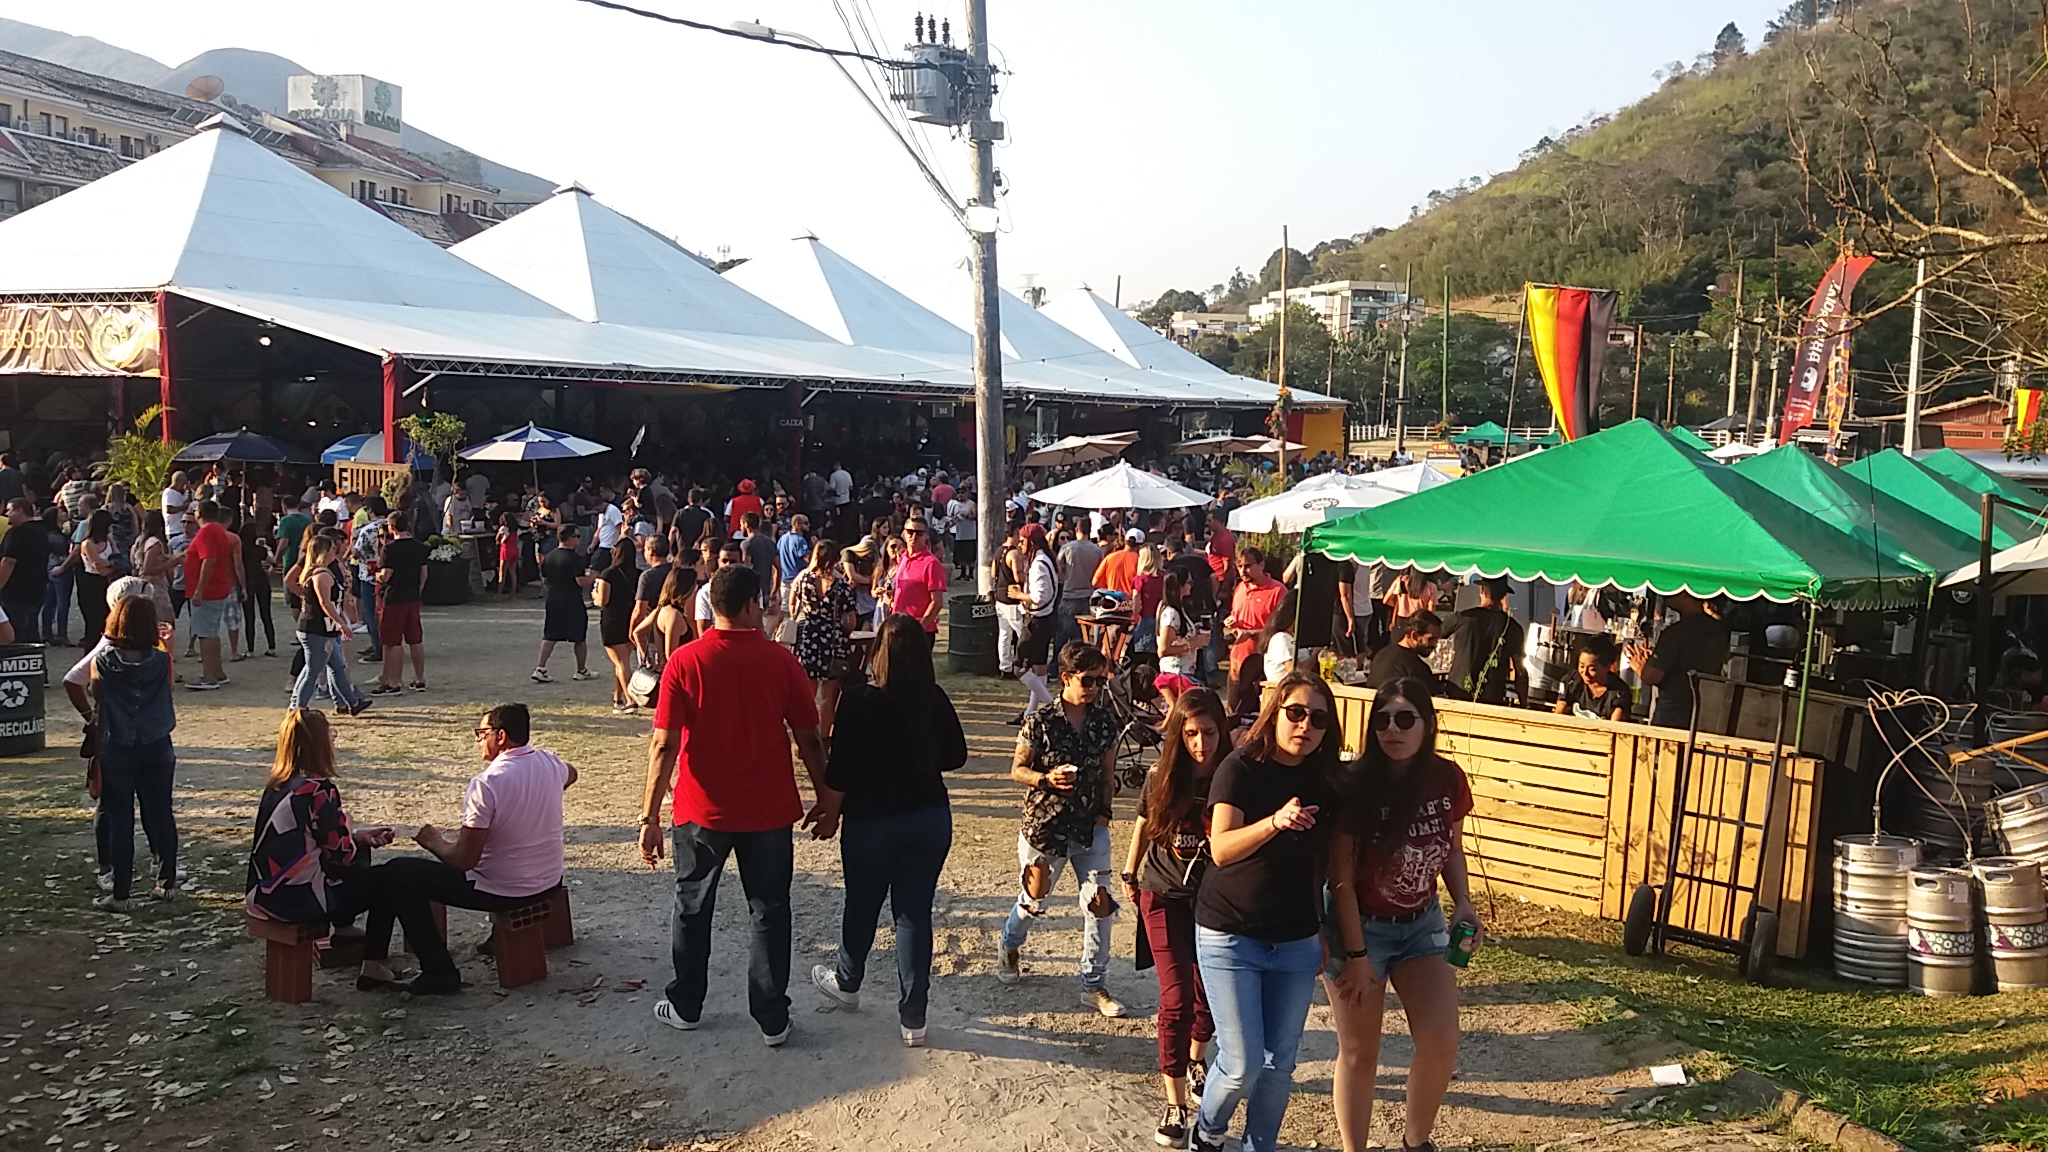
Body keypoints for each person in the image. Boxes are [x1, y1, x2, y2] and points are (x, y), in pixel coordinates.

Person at [638, 565, 840, 1045]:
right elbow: (809, 739)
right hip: (767, 807)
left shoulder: (685, 661)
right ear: (752, 604)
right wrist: (827, 797)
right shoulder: (780, 661)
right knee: (769, 910)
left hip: (701, 807)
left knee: (692, 906)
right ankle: (771, 1016)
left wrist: (649, 815)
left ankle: (686, 1003)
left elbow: (664, 744)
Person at [1325, 680, 1481, 1152]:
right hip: (1360, 926)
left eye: (1405, 719)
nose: (1392, 730)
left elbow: (1451, 849)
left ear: (1427, 724)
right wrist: (1356, 956)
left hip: (1421, 922)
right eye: (1383, 720)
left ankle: (1416, 1142)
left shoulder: (1447, 778)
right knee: (1360, 1052)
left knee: (1441, 1039)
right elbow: (1340, 879)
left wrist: (1464, 902)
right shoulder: (1355, 785)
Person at [1189, 670, 1337, 1152]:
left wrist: (1321, 927)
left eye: (1318, 719)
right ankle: (1208, 1132)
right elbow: (1221, 848)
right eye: (1296, 713)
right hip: (1231, 932)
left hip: (1295, 938)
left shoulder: (1325, 779)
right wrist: (1274, 822)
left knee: (1280, 1064)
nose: (1306, 726)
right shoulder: (1241, 767)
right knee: (1242, 1063)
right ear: (1275, 714)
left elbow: (1322, 866)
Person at [810, 613, 966, 1047]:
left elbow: (839, 771)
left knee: (862, 903)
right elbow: (956, 756)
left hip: (871, 820)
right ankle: (914, 1018)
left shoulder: (858, 701)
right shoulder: (933, 699)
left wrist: (830, 814)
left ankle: (848, 981)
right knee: (913, 913)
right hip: (928, 815)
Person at [369, 704, 576, 994]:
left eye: (482, 733)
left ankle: (438, 970)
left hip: (505, 890)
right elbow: (572, 774)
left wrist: (434, 842)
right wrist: (538, 796)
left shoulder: (487, 783)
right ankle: (493, 941)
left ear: (500, 736)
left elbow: (464, 860)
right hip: (548, 882)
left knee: (397, 873)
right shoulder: (550, 763)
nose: (478, 740)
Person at [1121, 688, 1228, 1147]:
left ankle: (1197, 1058)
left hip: (1215, 900)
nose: (1201, 743)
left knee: (1210, 997)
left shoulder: (1233, 777)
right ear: (1178, 735)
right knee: (1177, 997)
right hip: (1162, 892)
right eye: (1191, 734)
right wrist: (1129, 871)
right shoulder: (1161, 775)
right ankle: (1175, 1102)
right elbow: (1145, 822)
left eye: (1209, 732)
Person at [997, 641, 1126, 1017]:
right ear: (1066, 678)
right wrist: (1046, 779)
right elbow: (1017, 769)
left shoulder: (1104, 721)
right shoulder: (1040, 722)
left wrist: (1104, 815)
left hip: (1089, 825)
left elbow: (1107, 772)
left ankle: (1093, 984)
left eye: (1099, 680)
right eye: (1087, 680)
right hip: (1046, 826)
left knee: (1100, 904)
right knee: (1033, 901)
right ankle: (1010, 945)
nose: (1094, 688)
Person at [246, 709, 403, 988]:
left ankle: (344, 928)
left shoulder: (277, 785)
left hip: (265, 891)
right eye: (331, 734)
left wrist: (356, 837)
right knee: (389, 881)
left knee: (360, 852)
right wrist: (348, 826)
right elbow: (341, 854)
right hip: (300, 899)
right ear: (319, 744)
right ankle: (373, 965)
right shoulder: (319, 789)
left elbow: (308, 841)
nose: (333, 740)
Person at [90, 596, 180, 911]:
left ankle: (121, 893)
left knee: (120, 819)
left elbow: (96, 693)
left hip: (118, 743)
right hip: (157, 742)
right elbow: (169, 691)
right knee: (161, 813)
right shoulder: (161, 660)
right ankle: (166, 883)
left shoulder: (103, 661)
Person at [292, 535, 372, 715]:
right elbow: (325, 603)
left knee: (337, 667)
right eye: (332, 549)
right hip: (318, 629)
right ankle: (298, 708)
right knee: (313, 670)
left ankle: (352, 703)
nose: (335, 552)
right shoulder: (322, 575)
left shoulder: (317, 572)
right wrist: (341, 623)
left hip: (322, 628)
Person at [1625, 592, 1731, 729]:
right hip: (1704, 713)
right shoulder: (1718, 630)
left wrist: (1639, 667)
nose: (1667, 593)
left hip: (1672, 715)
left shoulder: (1676, 633)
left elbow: (1651, 675)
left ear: (1687, 594)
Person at [790, 539, 858, 736]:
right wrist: (843, 632)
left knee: (808, 694)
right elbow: (851, 620)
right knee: (828, 697)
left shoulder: (804, 579)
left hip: (809, 636)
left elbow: (793, 604)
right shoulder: (841, 585)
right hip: (832, 639)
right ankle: (824, 736)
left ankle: (806, 735)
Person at [182, 500, 239, 690]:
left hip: (208, 591)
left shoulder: (206, 531)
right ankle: (217, 672)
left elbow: (209, 560)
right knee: (212, 632)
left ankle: (209, 676)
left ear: (199, 514)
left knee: (205, 634)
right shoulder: (219, 531)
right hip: (217, 587)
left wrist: (199, 589)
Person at [1222, 547, 1286, 714]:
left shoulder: (1277, 591)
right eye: (1239, 566)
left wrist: (1251, 633)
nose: (1243, 571)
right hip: (1238, 659)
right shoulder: (1240, 588)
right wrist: (1232, 620)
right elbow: (1237, 614)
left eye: (1248, 566)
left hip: (1262, 663)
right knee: (1233, 712)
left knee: (1258, 712)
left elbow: (1283, 630)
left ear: (1261, 565)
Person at [1443, 578, 1523, 705]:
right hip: (1491, 699)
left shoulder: (1463, 618)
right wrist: (1524, 702)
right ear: (1504, 596)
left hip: (1457, 694)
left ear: (1481, 590)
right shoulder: (1512, 627)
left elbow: (1436, 633)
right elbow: (1520, 670)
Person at [534, 525, 598, 683]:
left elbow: (545, 579)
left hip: (553, 599)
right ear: (570, 539)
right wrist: (593, 577)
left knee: (550, 635)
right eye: (577, 536)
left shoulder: (549, 557)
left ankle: (540, 668)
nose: (579, 540)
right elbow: (580, 581)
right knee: (579, 636)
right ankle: (581, 670)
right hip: (572, 600)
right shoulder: (575, 558)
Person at [1011, 523, 1061, 723]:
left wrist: (1019, 595)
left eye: (1023, 541)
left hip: (1036, 621)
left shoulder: (1039, 563)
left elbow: (1040, 597)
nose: (1020, 544)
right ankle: (1030, 713)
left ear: (1032, 542)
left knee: (1019, 669)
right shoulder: (1044, 559)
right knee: (1039, 668)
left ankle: (1052, 707)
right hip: (1045, 619)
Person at [594, 540, 641, 714]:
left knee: (621, 663)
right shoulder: (638, 574)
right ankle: (617, 697)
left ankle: (630, 701)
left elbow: (603, 600)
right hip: (629, 619)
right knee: (623, 661)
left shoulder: (608, 574)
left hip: (612, 620)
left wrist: (594, 595)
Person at [1154, 567, 1211, 706]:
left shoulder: (1176, 608)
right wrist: (1193, 644)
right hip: (1177, 673)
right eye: (1189, 582)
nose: (1191, 586)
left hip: (1183, 670)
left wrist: (1195, 633)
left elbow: (1178, 637)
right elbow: (1163, 650)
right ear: (1179, 586)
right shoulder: (1171, 613)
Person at [889, 515, 948, 644]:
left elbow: (937, 602)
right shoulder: (903, 557)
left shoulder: (931, 563)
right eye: (910, 532)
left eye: (919, 533)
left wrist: (920, 627)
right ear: (904, 534)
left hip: (920, 629)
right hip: (898, 625)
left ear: (926, 535)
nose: (914, 536)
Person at [0, 497, 50, 643]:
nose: (6, 514)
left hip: (15, 592)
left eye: (9, 510)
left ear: (20, 511)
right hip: (37, 590)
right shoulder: (41, 532)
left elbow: (8, 561)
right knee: (31, 630)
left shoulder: (17, 533)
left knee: (15, 633)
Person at [1556, 634, 1634, 722]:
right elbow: (1559, 714)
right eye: (1581, 666)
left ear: (1607, 667)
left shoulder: (1619, 693)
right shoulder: (1571, 681)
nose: (1585, 673)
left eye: (1592, 669)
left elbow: (1614, 725)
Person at [349, 497, 389, 664]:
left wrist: (353, 538)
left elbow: (356, 553)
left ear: (370, 510)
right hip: (389, 573)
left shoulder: (367, 530)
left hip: (369, 573)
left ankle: (378, 646)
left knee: (371, 613)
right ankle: (378, 643)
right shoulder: (391, 525)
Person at [74, 507, 120, 647]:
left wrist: (110, 564)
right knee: (94, 623)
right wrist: (112, 565)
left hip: (106, 584)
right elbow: (100, 570)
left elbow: (119, 560)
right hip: (91, 585)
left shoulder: (109, 541)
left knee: (107, 622)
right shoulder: (88, 544)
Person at [1055, 523, 1105, 650]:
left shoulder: (1067, 548)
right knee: (1082, 635)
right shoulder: (1097, 550)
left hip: (1070, 594)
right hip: (1089, 596)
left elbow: (1058, 569)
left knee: (1063, 634)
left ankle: (1058, 660)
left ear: (1076, 529)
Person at [633, 564, 700, 658]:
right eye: (695, 587)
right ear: (686, 590)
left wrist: (648, 660)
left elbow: (637, 633)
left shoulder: (661, 609)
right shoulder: (674, 616)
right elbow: (671, 655)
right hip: (675, 666)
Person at [1368, 611, 1443, 692]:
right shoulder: (1416, 668)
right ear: (1414, 636)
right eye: (1430, 639)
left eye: (1436, 640)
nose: (1434, 644)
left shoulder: (1381, 655)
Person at [694, 539, 746, 639]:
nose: (728, 565)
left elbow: (756, 623)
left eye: (733, 561)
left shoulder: (751, 589)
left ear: (742, 562)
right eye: (724, 561)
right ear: (718, 562)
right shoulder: (705, 592)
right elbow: (703, 630)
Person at [1257, 587, 1299, 680]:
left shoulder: (1294, 637)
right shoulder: (1280, 638)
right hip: (1285, 686)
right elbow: (1295, 671)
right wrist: (1315, 654)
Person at [1092, 528, 1140, 596]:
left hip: (1112, 598)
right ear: (1140, 545)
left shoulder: (1110, 557)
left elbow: (1095, 582)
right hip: (1132, 599)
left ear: (1125, 541)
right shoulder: (1141, 560)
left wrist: (1109, 586)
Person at [946, 490, 977, 580]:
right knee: (961, 555)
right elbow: (953, 518)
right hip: (959, 534)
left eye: (962, 493)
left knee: (970, 555)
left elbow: (975, 516)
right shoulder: (955, 505)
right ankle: (962, 573)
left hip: (970, 534)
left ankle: (970, 573)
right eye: (959, 493)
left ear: (967, 493)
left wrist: (966, 516)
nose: (960, 495)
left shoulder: (971, 504)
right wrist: (948, 527)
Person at [494, 511, 522, 595]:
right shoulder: (517, 530)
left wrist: (499, 538)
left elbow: (499, 539)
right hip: (515, 550)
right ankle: (513, 592)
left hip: (506, 551)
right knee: (513, 573)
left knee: (502, 573)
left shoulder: (503, 528)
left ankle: (499, 593)